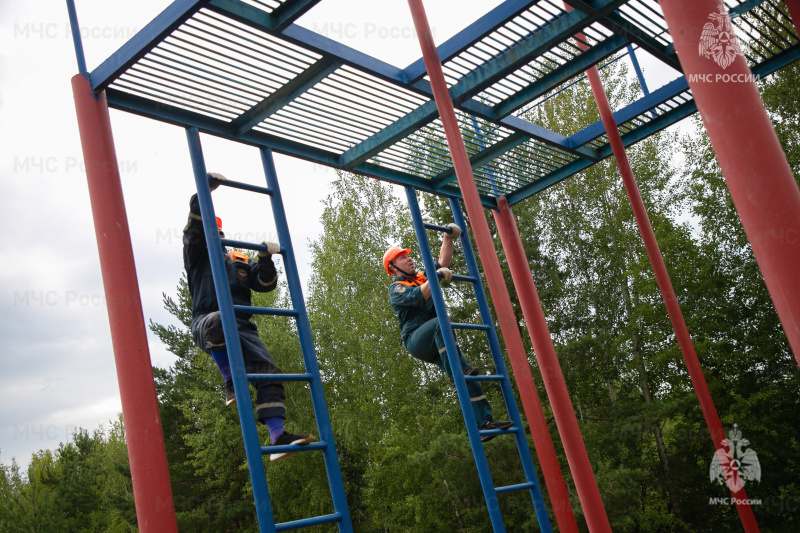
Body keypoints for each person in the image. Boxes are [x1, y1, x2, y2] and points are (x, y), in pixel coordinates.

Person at [183, 171, 313, 461]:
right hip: (207, 322)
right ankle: (231, 381)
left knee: (269, 372)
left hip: (244, 328)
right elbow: (192, 233)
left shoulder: (238, 260)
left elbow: (265, 284)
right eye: (207, 232)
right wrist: (202, 194)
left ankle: (278, 437)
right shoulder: (197, 256)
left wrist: (266, 259)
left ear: (223, 235)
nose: (212, 236)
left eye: (217, 232)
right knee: (220, 321)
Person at [383, 223, 513, 442]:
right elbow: (419, 296)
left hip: (437, 338)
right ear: (393, 267)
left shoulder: (422, 277)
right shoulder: (397, 287)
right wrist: (437, 277)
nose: (409, 259)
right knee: (440, 325)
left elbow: (443, 262)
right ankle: (456, 376)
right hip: (416, 340)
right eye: (402, 258)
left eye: (408, 256)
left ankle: (484, 423)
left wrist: (448, 237)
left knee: (468, 374)